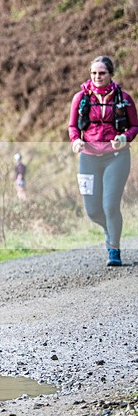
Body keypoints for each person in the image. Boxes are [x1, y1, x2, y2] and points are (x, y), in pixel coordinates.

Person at [68, 56, 138, 267]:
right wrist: (76, 140)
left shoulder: (123, 98)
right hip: (88, 159)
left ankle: (114, 250)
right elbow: (72, 126)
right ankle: (108, 229)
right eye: (94, 73)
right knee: (92, 210)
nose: (97, 77)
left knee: (110, 205)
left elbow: (135, 126)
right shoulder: (80, 98)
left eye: (102, 73)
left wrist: (124, 137)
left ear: (110, 74)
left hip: (116, 158)